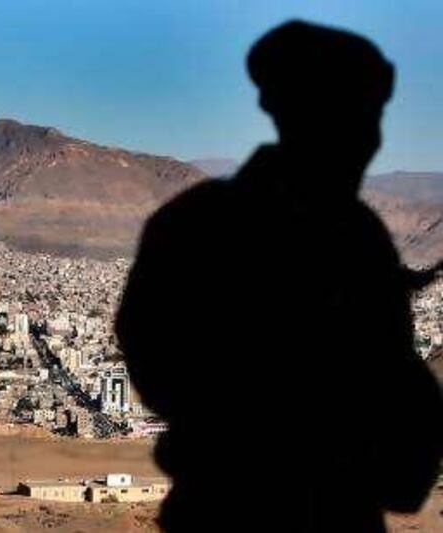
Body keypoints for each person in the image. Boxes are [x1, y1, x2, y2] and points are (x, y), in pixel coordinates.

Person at [115, 20, 443, 532]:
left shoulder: (195, 222)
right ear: (313, 120)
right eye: (358, 119)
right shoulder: (353, 241)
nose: (370, 139)